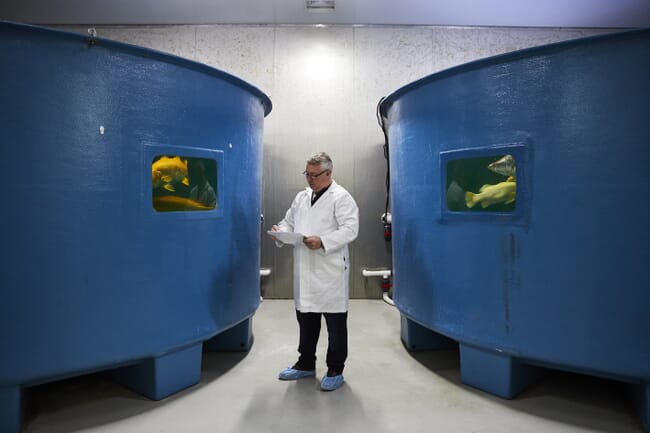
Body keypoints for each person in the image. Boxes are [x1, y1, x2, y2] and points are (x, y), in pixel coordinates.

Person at [271, 152, 359, 391]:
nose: (309, 179)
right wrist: (281, 229)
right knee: (306, 320)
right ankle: (306, 363)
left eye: (314, 175)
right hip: (305, 269)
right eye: (307, 174)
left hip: (329, 270)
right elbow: (290, 221)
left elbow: (351, 229)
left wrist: (323, 241)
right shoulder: (301, 197)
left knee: (335, 324)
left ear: (328, 173)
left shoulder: (341, 197)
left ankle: (335, 369)